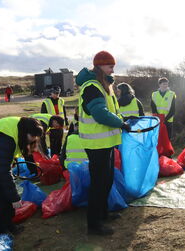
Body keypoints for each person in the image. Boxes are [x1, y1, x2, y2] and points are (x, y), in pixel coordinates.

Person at [75, 50, 130, 236]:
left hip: (105, 143)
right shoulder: (92, 86)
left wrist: (123, 119)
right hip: (96, 144)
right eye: (109, 65)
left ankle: (103, 214)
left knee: (106, 180)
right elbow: (100, 114)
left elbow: (111, 110)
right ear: (99, 66)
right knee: (99, 183)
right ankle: (94, 224)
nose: (112, 68)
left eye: (113, 65)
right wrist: (121, 123)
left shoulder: (105, 84)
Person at [40, 87, 68, 156]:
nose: (56, 95)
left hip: (60, 125)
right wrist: (46, 129)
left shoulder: (61, 100)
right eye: (54, 93)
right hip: (51, 126)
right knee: (53, 144)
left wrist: (66, 123)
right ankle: (53, 157)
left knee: (59, 142)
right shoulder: (46, 102)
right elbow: (43, 116)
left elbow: (64, 112)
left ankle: (58, 157)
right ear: (51, 93)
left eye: (58, 93)